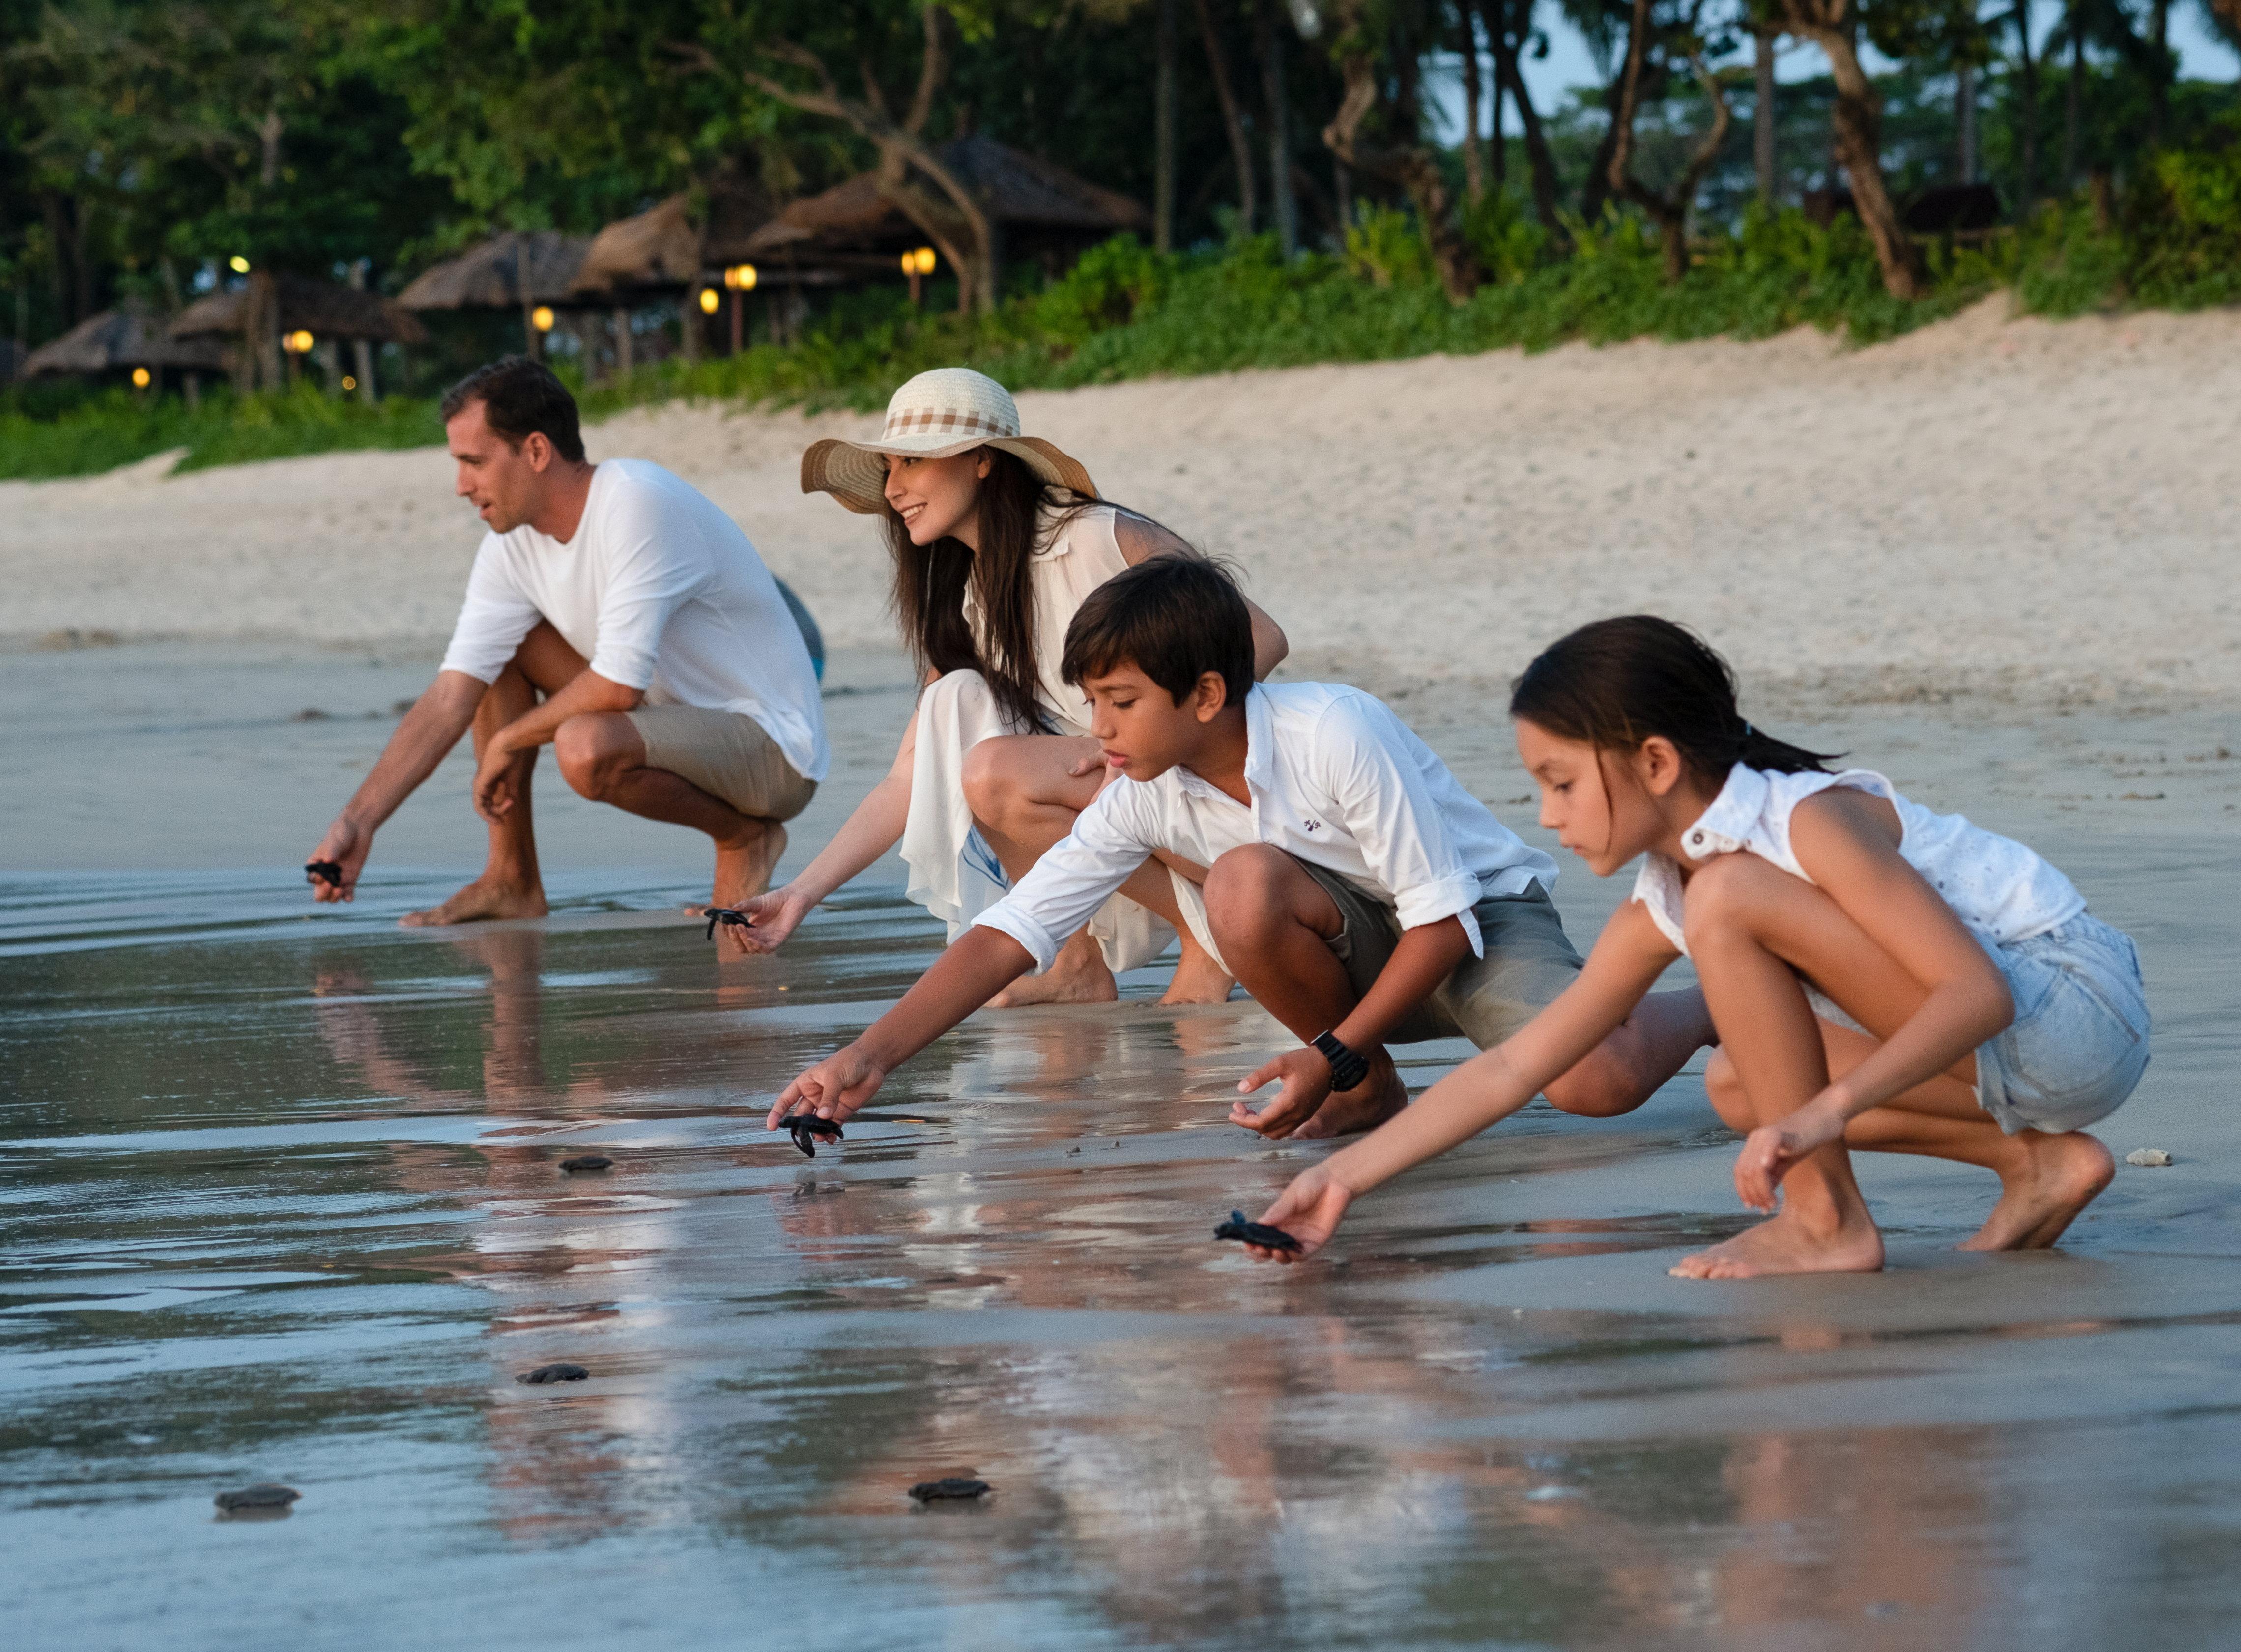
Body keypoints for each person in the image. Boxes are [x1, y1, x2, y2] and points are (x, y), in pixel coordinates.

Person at [1241, 617, 2153, 1278]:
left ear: (1656, 763)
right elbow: (1519, 1063)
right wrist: (1341, 1179)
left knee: (1739, 939)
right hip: (2013, 1057)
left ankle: (1825, 1221)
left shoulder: (1800, 823)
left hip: (2067, 1010)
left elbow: (1974, 995)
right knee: (1740, 1082)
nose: (1547, 816)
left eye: (1561, 782)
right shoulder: (1675, 893)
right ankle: (2036, 1164)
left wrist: (1821, 1115)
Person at [766, 559, 1709, 1143]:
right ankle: (1368, 1087)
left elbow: (1443, 921)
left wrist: (1327, 1047)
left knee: (1599, 1082)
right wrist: (865, 1057)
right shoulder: (1138, 788)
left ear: (1207, 694)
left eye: (1121, 701)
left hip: (1474, 920)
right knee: (1242, 887)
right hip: (1356, 948)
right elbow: (1015, 929)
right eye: (1090, 700)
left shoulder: (1334, 729)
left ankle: (1707, 1001)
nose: (1096, 731)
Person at [724, 367, 1289, 1007]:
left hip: (1217, 807)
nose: (895, 487)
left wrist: (1138, 740)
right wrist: (802, 893)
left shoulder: (1094, 535)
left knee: (996, 770)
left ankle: (1204, 938)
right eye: (887, 468)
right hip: (1123, 816)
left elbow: (1262, 637)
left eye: (912, 461)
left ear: (984, 462)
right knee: (955, 707)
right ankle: (1074, 960)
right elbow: (910, 776)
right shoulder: (976, 601)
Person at [305, 358, 828, 934]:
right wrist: (359, 821)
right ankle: (511, 880)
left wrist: (508, 740)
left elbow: (618, 685)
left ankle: (743, 836)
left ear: (535, 451)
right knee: (496, 656)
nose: (460, 486)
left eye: (473, 462)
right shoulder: (511, 547)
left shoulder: (636, 501)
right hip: (673, 720)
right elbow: (455, 692)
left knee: (583, 746)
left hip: (772, 748)